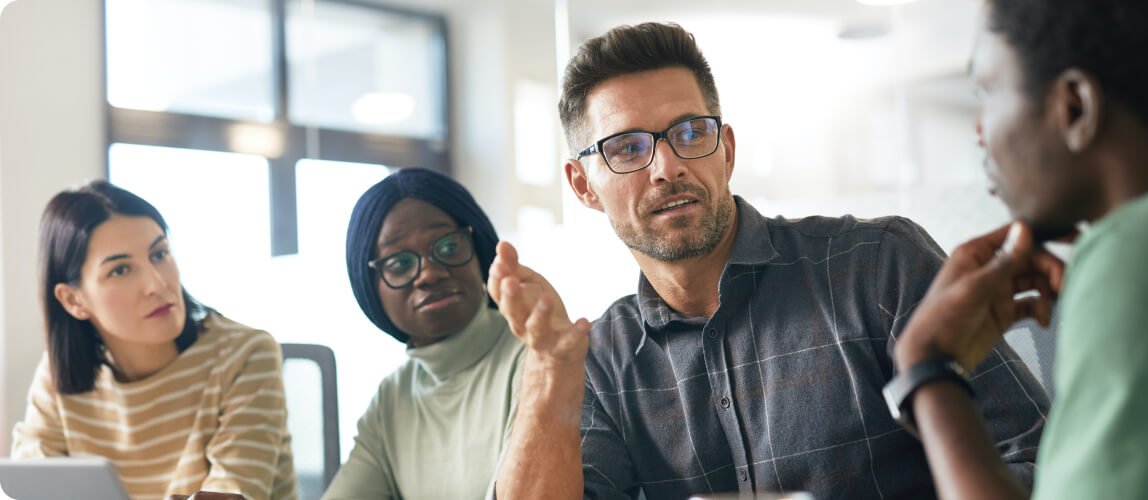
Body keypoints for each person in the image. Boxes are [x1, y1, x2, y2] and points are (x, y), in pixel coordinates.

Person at [489, 21, 1051, 499]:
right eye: (628, 148)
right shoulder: (602, 361)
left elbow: (1041, 463)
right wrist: (549, 370)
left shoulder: (878, 266)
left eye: (691, 132)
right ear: (583, 185)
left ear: (726, 151)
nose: (667, 167)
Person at [888, 1, 1148, 499]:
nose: (978, 129)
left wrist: (926, 367)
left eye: (987, 92)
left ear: (1075, 107)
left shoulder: (1132, 253)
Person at [11, 180, 296, 499]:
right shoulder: (57, 376)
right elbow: (30, 489)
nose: (157, 284)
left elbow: (231, 494)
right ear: (73, 300)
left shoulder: (245, 355)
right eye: (120, 270)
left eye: (159, 254)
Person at [323, 167, 526, 499]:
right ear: (370, 289)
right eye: (399, 264)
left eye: (448, 247)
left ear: (479, 250)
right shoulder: (392, 397)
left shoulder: (537, 359)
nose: (429, 274)